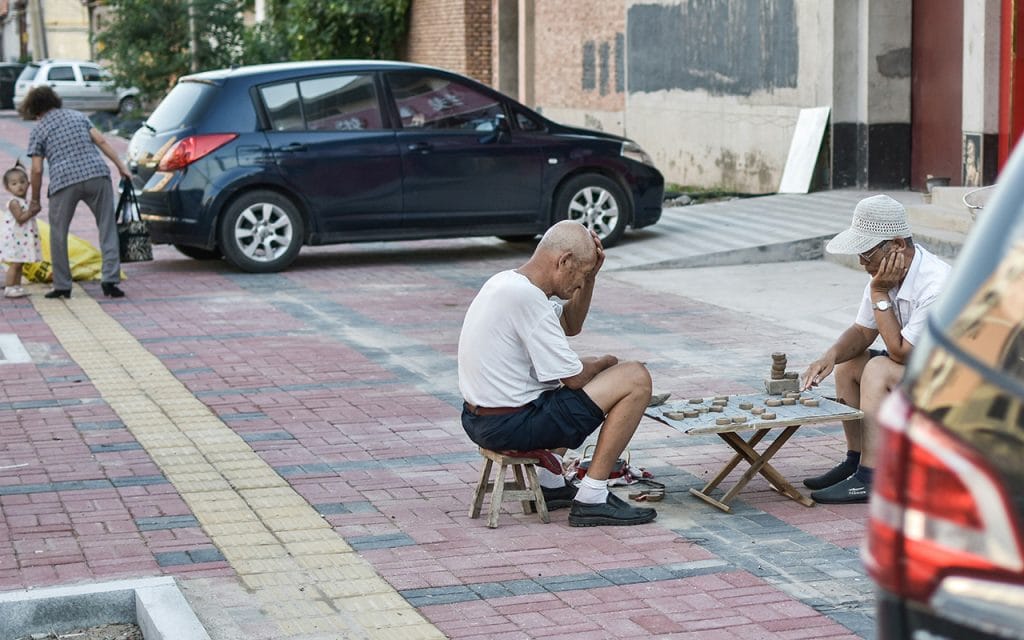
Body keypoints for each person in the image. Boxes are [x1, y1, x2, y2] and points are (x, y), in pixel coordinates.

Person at [458, 220, 657, 527]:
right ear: (563, 261)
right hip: (508, 425)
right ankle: (592, 497)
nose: (578, 286)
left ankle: (550, 485)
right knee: (635, 378)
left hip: (482, 419)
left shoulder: (508, 283)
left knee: (562, 390)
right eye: (580, 275)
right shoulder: (527, 299)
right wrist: (605, 364)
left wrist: (591, 278)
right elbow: (575, 378)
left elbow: (571, 324)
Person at [800, 195, 951, 503]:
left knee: (878, 369)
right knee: (850, 363)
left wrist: (880, 292)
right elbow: (862, 331)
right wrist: (829, 356)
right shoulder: (885, 273)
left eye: (866, 254)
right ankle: (856, 460)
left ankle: (872, 477)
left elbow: (900, 353)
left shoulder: (935, 283)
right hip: (921, 369)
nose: (861, 262)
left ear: (896, 245)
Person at [19, 85, 130, 299]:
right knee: (107, 228)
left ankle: (62, 286)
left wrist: (35, 199)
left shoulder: (39, 130)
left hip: (64, 182)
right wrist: (120, 166)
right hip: (96, 174)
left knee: (58, 233)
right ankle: (110, 281)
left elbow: (37, 169)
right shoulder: (77, 116)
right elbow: (102, 141)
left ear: (35, 109)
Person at [1, 164, 42, 298]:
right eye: (14, 184)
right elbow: (20, 218)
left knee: (20, 262)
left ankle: (17, 286)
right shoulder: (14, 202)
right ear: (8, 188)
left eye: (22, 182)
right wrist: (32, 211)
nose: (19, 186)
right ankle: (9, 287)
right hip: (14, 239)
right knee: (15, 263)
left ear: (28, 184)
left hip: (21, 239)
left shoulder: (23, 201)